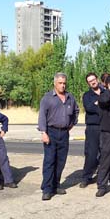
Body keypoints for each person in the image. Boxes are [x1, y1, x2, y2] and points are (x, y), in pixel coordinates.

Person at [38, 72, 80, 201]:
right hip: (51, 132)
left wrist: (72, 123)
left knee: (61, 161)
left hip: (64, 133)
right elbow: (42, 116)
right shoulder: (47, 98)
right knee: (50, 161)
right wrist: (43, 132)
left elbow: (76, 111)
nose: (63, 85)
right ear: (55, 83)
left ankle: (56, 185)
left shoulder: (70, 97)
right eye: (60, 83)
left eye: (64, 83)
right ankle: (47, 189)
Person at [80, 72, 102, 188]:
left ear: (97, 79)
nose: (93, 82)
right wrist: (101, 105)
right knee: (91, 154)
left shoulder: (105, 92)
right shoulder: (87, 96)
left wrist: (98, 104)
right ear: (88, 83)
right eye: (90, 81)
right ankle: (86, 177)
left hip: (105, 127)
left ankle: (105, 177)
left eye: (94, 79)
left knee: (106, 154)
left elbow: (109, 105)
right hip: (92, 128)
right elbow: (89, 108)